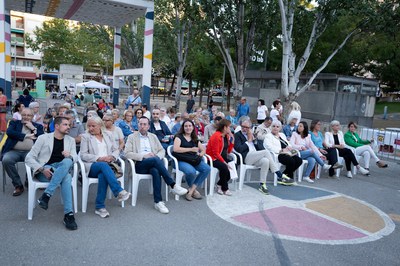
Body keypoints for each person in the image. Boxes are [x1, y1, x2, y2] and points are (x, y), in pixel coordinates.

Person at [124, 117, 188, 213]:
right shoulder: (132, 137)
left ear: (148, 126)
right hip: (139, 165)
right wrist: (144, 156)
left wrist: (156, 156)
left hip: (153, 163)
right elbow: (127, 153)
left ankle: (158, 202)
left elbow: (162, 150)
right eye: (140, 124)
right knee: (154, 160)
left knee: (155, 170)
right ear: (138, 125)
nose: (142, 126)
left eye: (145, 124)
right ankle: (172, 185)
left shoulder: (153, 136)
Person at [25, 116, 78, 230]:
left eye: (69, 125)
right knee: (67, 177)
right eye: (65, 124)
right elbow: (29, 158)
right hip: (46, 171)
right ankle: (69, 215)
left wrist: (69, 155)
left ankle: (47, 195)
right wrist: (41, 169)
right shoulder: (43, 138)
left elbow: (75, 157)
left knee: (68, 161)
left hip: (60, 168)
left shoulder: (71, 140)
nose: (68, 127)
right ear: (57, 126)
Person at [80, 117, 131, 218]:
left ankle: (100, 207)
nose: (90, 128)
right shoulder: (86, 137)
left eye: (93, 126)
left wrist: (112, 156)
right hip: (92, 166)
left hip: (107, 166)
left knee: (103, 175)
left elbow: (116, 150)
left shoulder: (108, 135)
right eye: (89, 126)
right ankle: (118, 191)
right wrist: (99, 158)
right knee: (103, 165)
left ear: (100, 126)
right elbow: (83, 155)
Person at [234, 119, 288, 194]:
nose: (244, 129)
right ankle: (278, 173)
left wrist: (255, 141)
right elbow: (239, 149)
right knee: (266, 152)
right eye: (243, 126)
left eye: (247, 127)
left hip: (255, 156)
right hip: (246, 157)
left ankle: (262, 184)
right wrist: (248, 141)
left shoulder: (252, 135)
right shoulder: (237, 135)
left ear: (250, 128)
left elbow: (260, 148)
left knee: (265, 161)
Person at [1, 108, 44, 196]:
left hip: (30, 152)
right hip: (14, 151)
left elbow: (42, 138)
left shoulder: (38, 126)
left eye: (28, 115)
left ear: (32, 116)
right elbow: (10, 132)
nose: (26, 117)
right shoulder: (15, 123)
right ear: (21, 115)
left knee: (35, 160)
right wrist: (26, 136)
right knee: (6, 160)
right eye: (24, 115)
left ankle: (29, 181)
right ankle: (18, 185)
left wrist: (33, 128)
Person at [173, 120, 210, 201]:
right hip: (181, 160)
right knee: (191, 171)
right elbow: (175, 149)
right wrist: (191, 149)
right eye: (186, 126)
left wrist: (200, 155)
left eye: (190, 126)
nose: (188, 128)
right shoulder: (179, 137)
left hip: (193, 159)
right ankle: (193, 191)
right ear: (183, 127)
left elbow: (203, 150)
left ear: (193, 127)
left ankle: (191, 190)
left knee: (207, 169)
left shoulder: (194, 138)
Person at [206, 119, 235, 195]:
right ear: (224, 127)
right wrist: (224, 162)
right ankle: (225, 188)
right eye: (229, 127)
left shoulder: (226, 136)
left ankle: (219, 184)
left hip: (221, 157)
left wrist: (232, 141)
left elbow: (228, 151)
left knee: (232, 168)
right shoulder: (216, 136)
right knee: (224, 167)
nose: (230, 129)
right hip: (213, 158)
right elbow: (215, 153)